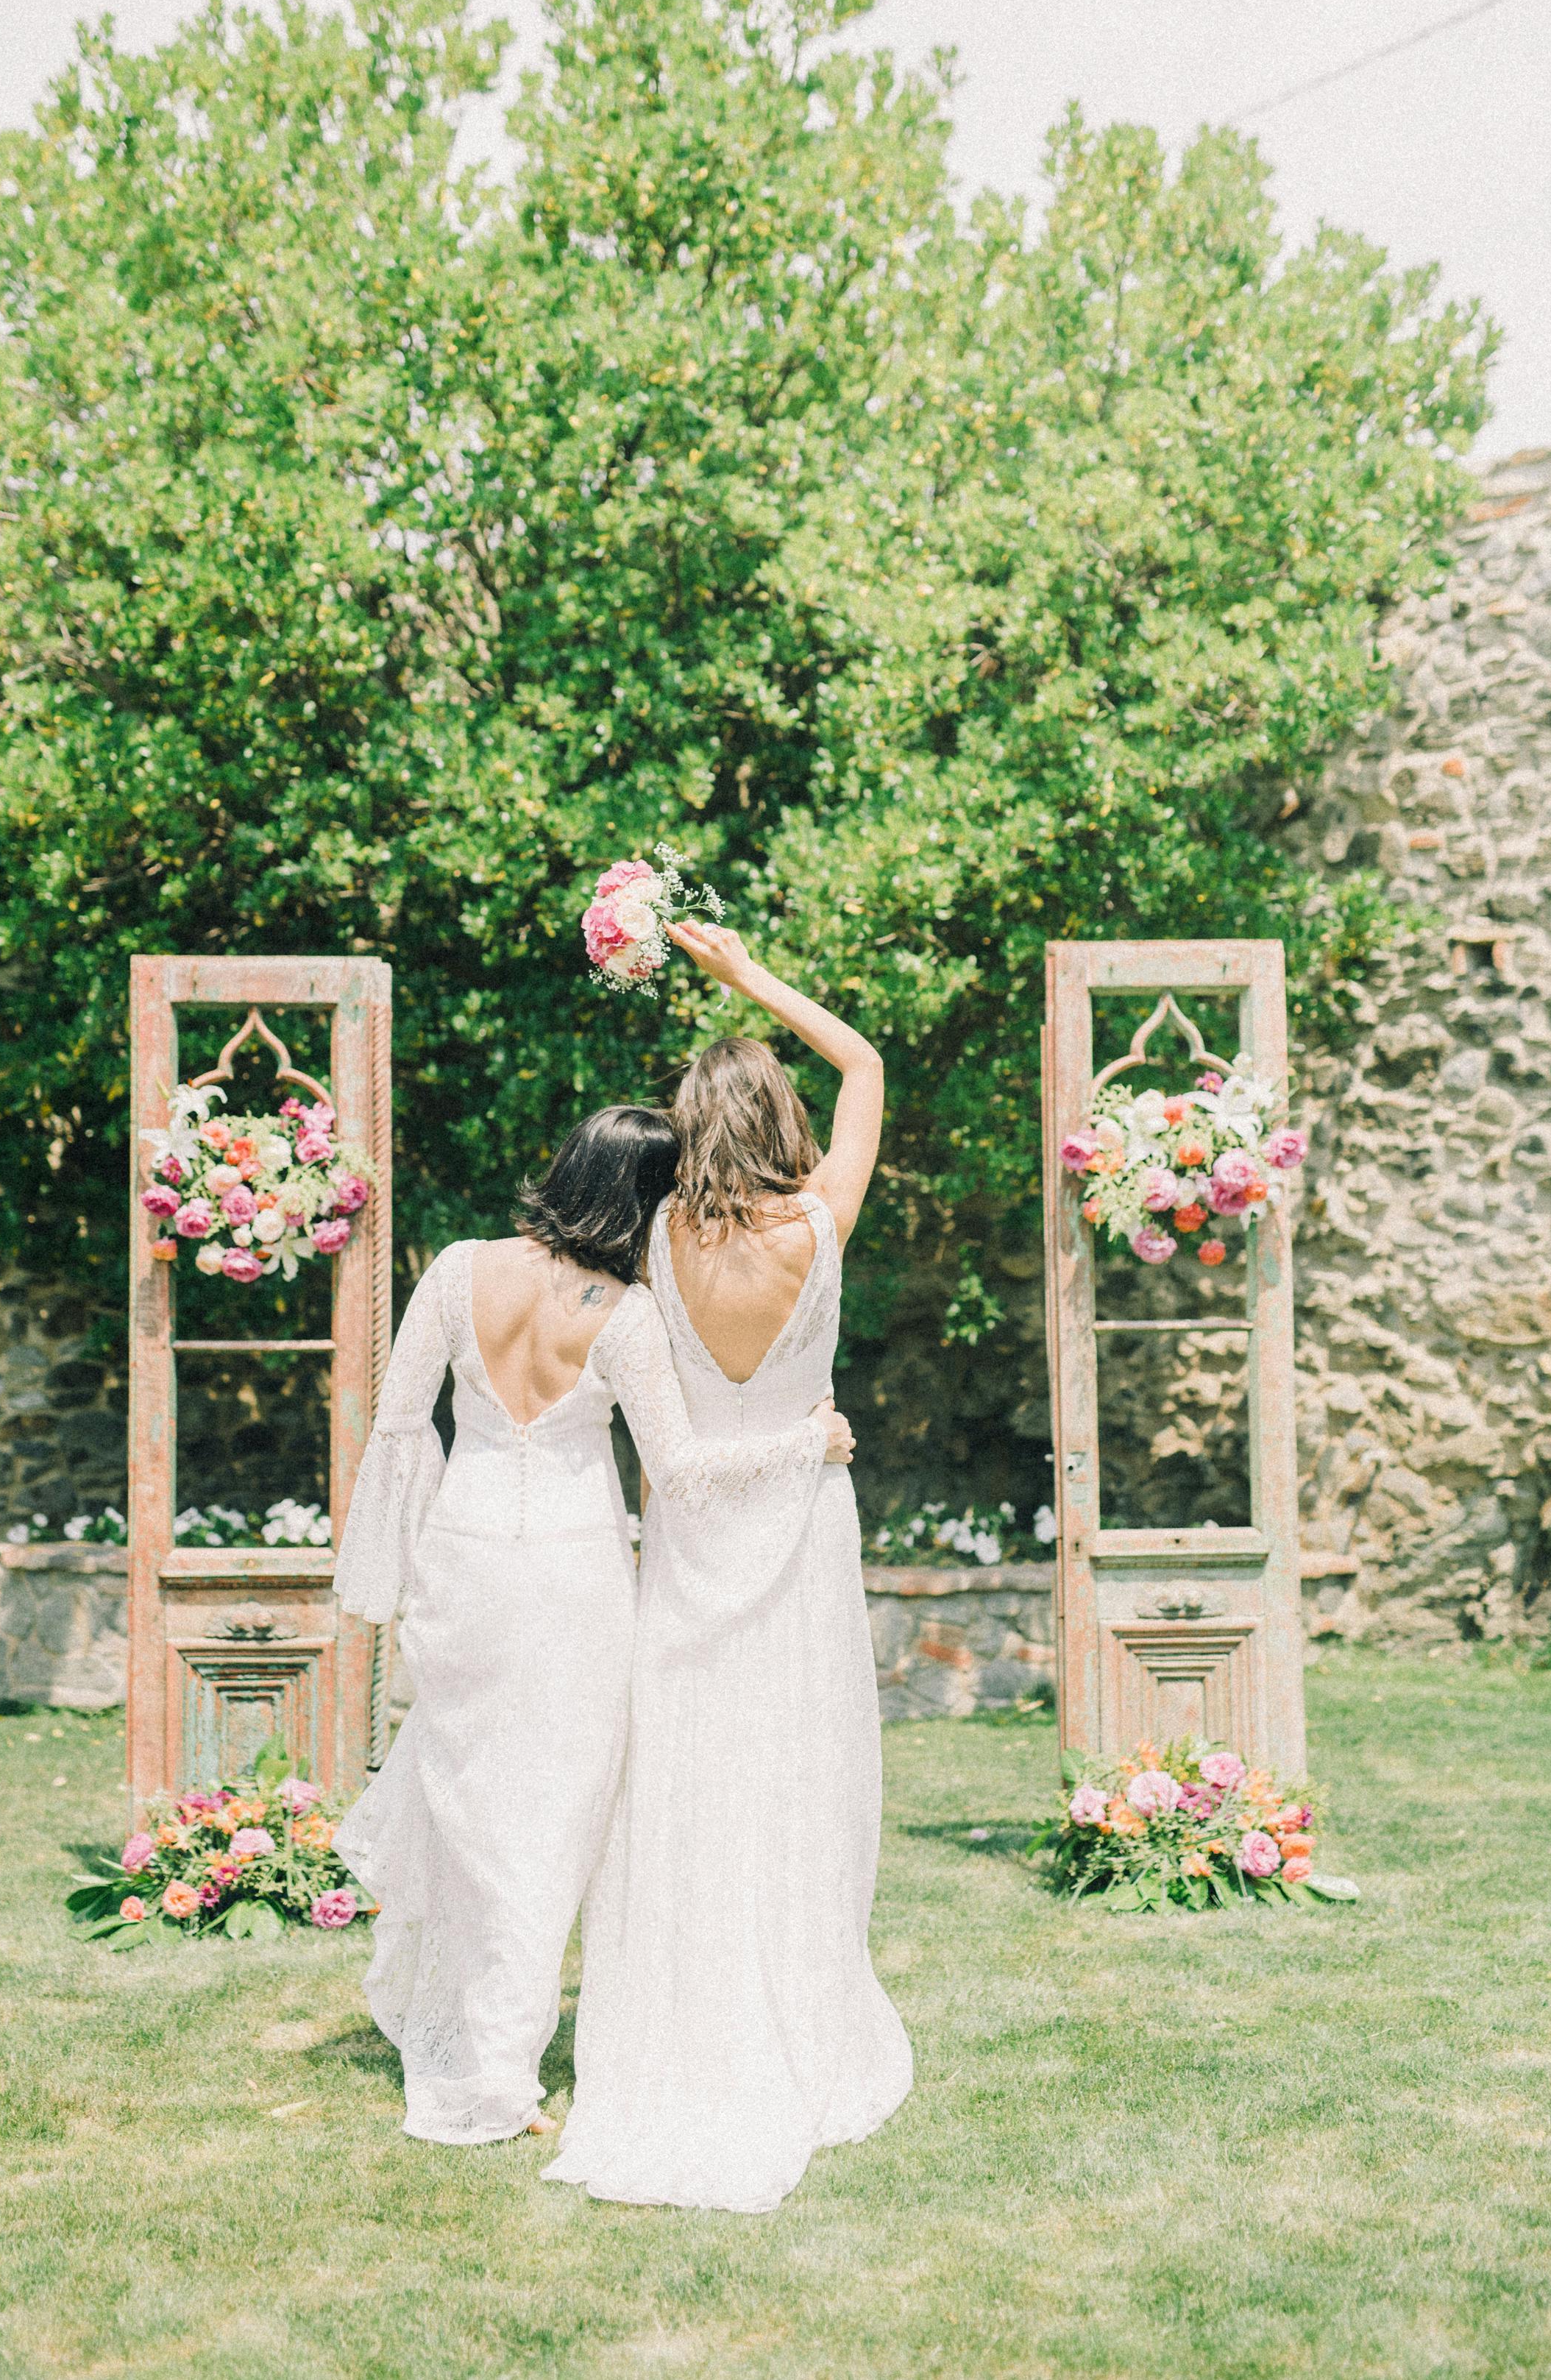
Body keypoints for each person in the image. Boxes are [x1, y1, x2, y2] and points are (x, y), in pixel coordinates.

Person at [332, 1102, 854, 2147]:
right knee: (550, 1827)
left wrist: (386, 1578)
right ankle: (498, 2077)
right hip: (572, 1579)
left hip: (462, 1560)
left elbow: (397, 1429)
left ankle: (468, 2029)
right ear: (643, 1200)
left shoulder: (456, 1270)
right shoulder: (625, 1317)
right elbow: (683, 1475)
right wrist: (806, 1443)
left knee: (467, 1798)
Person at [544, 930, 913, 2214]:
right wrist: (751, 980)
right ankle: (798, 2006)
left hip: (696, 1541)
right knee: (799, 1767)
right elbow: (864, 1059)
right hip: (803, 1520)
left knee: (695, 1771)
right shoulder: (821, 1222)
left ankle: (691, 2007)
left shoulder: (655, 1248)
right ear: (781, 1120)